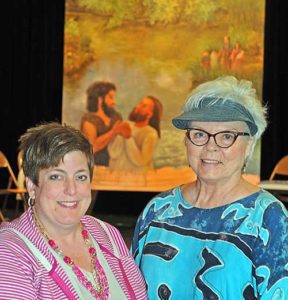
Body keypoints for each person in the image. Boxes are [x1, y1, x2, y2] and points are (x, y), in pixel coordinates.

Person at [131, 76, 288, 299]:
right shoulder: (158, 209)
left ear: (249, 146)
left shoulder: (267, 219)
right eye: (199, 134)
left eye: (227, 136)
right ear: (186, 142)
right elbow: (131, 290)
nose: (210, 146)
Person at [0, 122, 147, 299]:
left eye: (80, 177)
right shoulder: (10, 251)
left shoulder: (107, 234)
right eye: (56, 176)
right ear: (32, 186)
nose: (71, 189)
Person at [81, 80, 131, 166]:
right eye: (110, 97)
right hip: (97, 166)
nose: (114, 102)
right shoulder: (89, 121)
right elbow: (92, 148)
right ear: (100, 100)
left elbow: (127, 137)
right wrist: (113, 131)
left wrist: (126, 131)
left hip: (117, 163)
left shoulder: (116, 116)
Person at [108, 96, 163, 172]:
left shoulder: (151, 133)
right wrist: (115, 133)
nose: (137, 107)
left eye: (143, 106)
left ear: (149, 114)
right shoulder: (126, 124)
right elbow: (113, 153)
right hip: (118, 176)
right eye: (139, 103)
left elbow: (141, 161)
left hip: (138, 179)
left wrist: (128, 137)